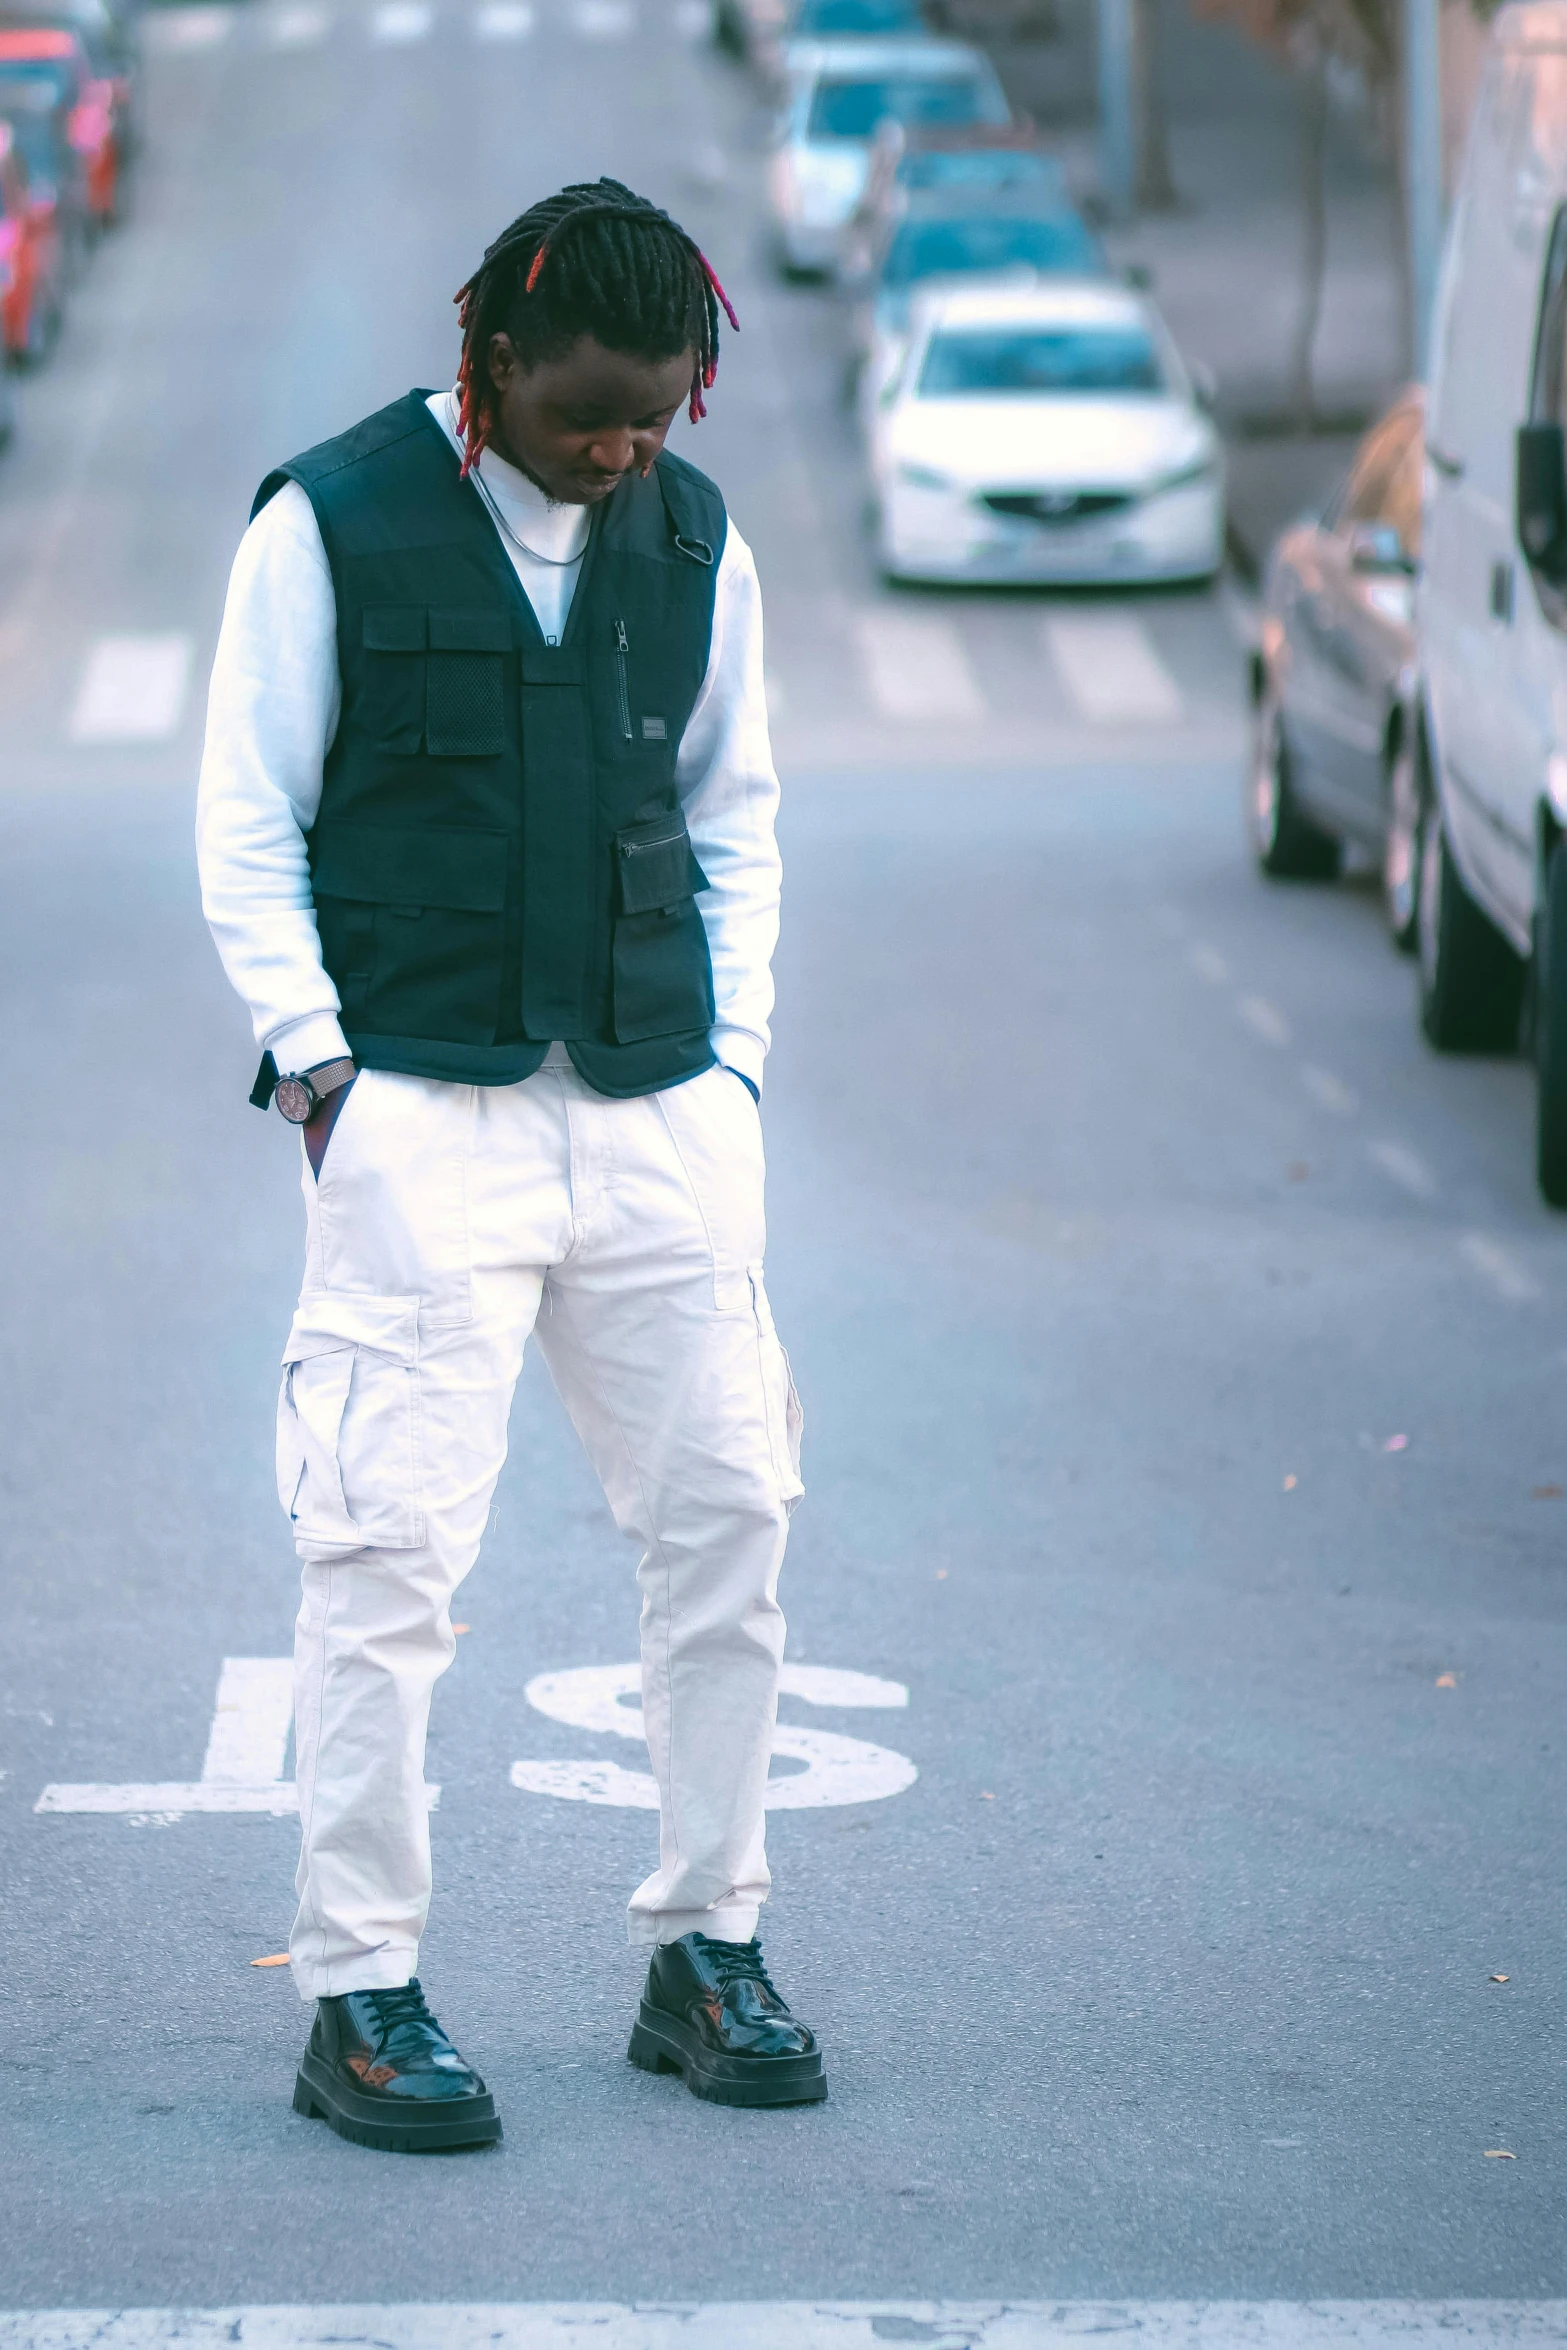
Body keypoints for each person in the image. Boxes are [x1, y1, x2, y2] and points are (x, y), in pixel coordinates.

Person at [195, 178, 819, 2155]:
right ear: (490, 362)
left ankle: (707, 1945)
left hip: (655, 1113)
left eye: (657, 418)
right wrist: (323, 1080)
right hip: (419, 1119)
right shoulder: (331, 523)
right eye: (588, 417)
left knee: (731, 1518)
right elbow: (245, 817)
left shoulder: (694, 537)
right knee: (384, 1565)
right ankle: (360, 1986)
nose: (621, 452)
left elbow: (739, 813)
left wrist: (731, 1071)